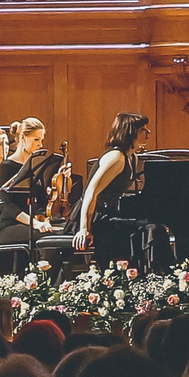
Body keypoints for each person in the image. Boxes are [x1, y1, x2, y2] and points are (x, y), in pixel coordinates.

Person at [74, 111, 156, 268]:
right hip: (95, 217)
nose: (148, 132)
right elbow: (91, 191)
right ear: (130, 132)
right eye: (143, 129)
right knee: (148, 228)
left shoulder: (132, 157)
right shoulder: (116, 157)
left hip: (109, 214)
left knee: (150, 226)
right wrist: (84, 228)